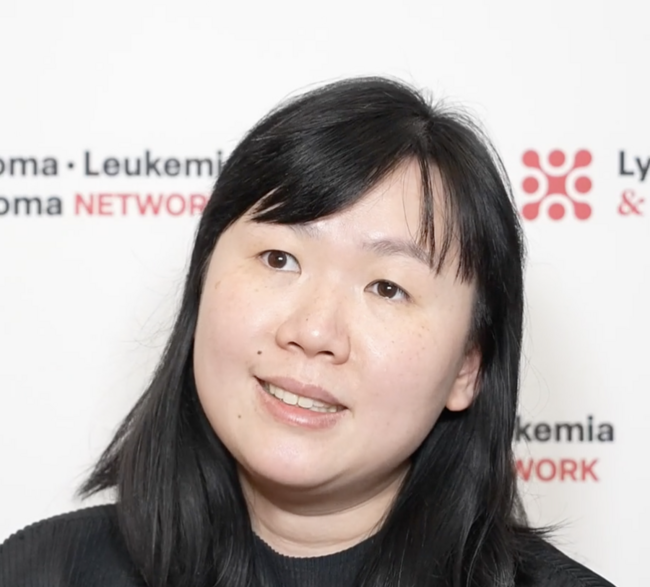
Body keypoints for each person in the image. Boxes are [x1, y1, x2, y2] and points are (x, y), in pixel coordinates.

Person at [0, 77, 615, 587]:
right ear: (202, 282)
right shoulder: (44, 571)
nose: (315, 330)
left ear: (467, 367)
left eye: (387, 288)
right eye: (279, 259)